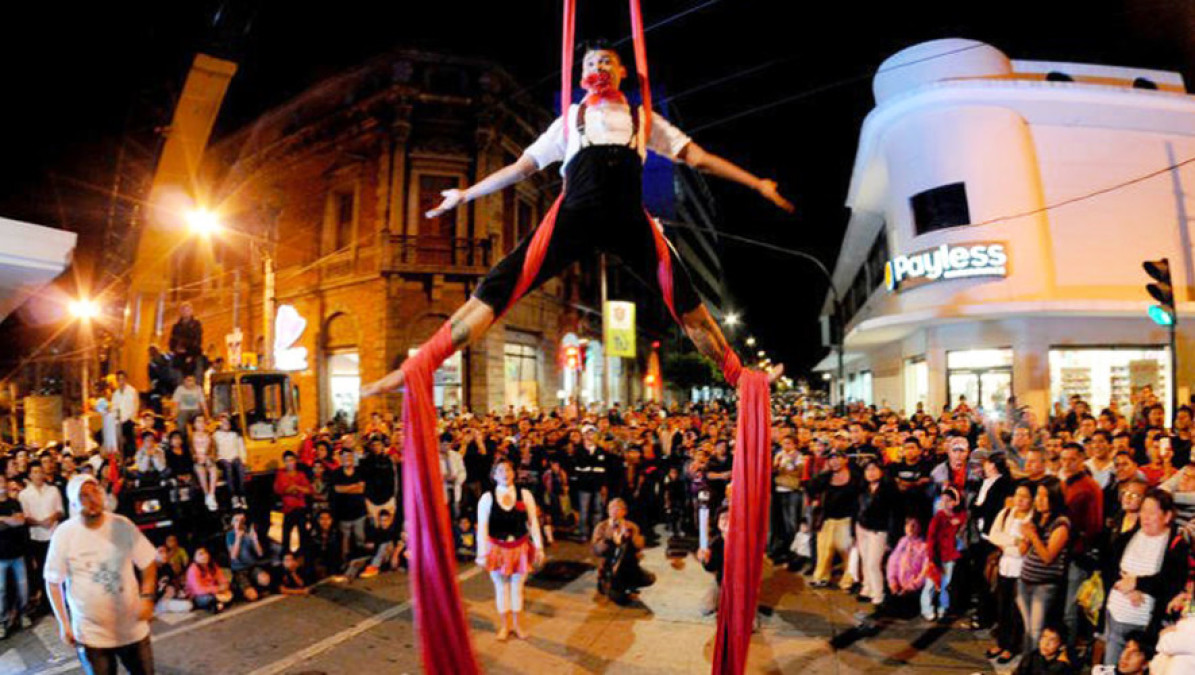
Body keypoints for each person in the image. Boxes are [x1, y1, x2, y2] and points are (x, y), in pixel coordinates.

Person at [360, 41, 790, 401]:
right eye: (589, 63)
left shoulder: (643, 120)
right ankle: (417, 368)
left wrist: (755, 183)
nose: (598, 67)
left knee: (689, 304)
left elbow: (699, 159)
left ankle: (743, 379)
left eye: (606, 61)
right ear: (580, 73)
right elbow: (520, 169)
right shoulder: (569, 121)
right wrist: (465, 193)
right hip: (575, 214)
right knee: (497, 286)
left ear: (622, 70)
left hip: (627, 218)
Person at [45, 474, 157, 675]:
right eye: (84, 496)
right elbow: (53, 582)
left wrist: (147, 598)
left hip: (132, 629)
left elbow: (148, 562)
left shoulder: (122, 525)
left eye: (95, 492)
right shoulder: (65, 534)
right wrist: (64, 624)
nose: (92, 499)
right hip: (92, 636)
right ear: (74, 503)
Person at [1103, 488, 1191, 666]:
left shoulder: (1176, 545)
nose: (1145, 517)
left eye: (1152, 513)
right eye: (1143, 511)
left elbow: (1171, 583)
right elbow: (1109, 569)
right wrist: (1126, 588)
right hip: (1115, 615)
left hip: (1146, 626)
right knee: (1111, 665)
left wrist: (1137, 583)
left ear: (1167, 516)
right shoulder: (1127, 537)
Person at [476, 460, 545, 640]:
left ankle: (518, 625)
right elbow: (482, 527)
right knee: (501, 587)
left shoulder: (525, 494)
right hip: (497, 548)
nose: (505, 473)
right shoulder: (487, 497)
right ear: (494, 475)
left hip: (520, 547)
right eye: (500, 470)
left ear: (514, 472)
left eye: (508, 469)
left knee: (517, 586)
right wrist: (481, 554)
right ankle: (504, 626)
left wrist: (539, 547)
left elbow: (533, 522)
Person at [1018, 476, 1071, 654]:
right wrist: (1025, 536)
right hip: (1025, 580)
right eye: (1037, 496)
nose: (1039, 501)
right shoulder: (1037, 518)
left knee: (1036, 631)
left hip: (1044, 585)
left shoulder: (1061, 523)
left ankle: (1034, 665)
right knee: (1027, 630)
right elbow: (1023, 551)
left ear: (1055, 498)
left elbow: (1048, 557)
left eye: (1044, 496)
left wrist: (1033, 536)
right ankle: (1027, 663)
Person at [984, 482, 1034, 664]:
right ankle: (1001, 643)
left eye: (1025, 496)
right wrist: (1013, 541)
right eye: (1017, 495)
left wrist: (1007, 545)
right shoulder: (1006, 513)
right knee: (1002, 608)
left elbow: (1023, 550)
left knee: (1016, 611)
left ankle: (1012, 646)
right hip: (1004, 567)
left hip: (1022, 571)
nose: (1020, 500)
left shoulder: (1032, 519)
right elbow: (993, 536)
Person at [591, 497, 653, 606]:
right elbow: (596, 550)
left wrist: (631, 537)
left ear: (624, 512)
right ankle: (608, 584)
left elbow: (640, 545)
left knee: (649, 578)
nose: (614, 511)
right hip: (609, 566)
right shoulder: (601, 527)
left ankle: (628, 583)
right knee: (619, 598)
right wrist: (611, 540)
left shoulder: (631, 526)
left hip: (628, 565)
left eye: (618, 508)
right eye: (612, 508)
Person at [855, 458, 899, 607]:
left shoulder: (889, 489)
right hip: (862, 527)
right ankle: (867, 588)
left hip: (879, 530)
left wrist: (891, 537)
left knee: (874, 563)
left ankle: (878, 594)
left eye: (874, 469)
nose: (871, 473)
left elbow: (894, 514)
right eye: (868, 470)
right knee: (865, 560)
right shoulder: (863, 488)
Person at [19, 462, 64, 611]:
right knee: (41, 570)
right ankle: (45, 601)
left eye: (40, 471)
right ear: (30, 475)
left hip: (54, 535)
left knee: (56, 568)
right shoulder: (24, 494)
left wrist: (52, 518)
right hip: (36, 536)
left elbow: (60, 511)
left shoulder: (53, 490)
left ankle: (60, 599)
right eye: (35, 472)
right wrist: (38, 522)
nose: (38, 474)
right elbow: (24, 517)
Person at [923, 485, 967, 621]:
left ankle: (943, 607)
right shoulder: (938, 518)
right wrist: (931, 556)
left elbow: (964, 518)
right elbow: (931, 538)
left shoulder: (959, 517)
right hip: (936, 555)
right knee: (931, 583)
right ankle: (927, 608)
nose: (945, 503)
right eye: (943, 500)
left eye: (949, 500)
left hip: (950, 556)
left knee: (946, 584)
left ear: (955, 502)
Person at [0, 474, 32, 638]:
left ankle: (23, 614)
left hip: (17, 554)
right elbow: (15, 521)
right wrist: (11, 520)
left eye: (2, 481)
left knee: (23, 588)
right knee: (1, 591)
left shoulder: (14, 503)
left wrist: (3, 519)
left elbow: (20, 521)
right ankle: (2, 621)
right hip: (1, 557)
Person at [331, 448, 368, 561]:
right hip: (343, 514)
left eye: (350, 456)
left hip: (359, 513)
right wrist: (354, 486)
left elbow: (361, 490)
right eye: (345, 457)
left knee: (360, 538)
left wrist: (345, 488)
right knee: (344, 541)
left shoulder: (360, 471)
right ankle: (345, 562)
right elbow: (337, 489)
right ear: (341, 459)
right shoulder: (336, 473)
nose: (348, 459)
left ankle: (362, 559)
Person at [225, 511, 271, 602]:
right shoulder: (230, 535)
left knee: (265, 580)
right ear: (232, 523)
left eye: (242, 520)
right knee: (253, 597)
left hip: (252, 566)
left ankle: (253, 586)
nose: (239, 523)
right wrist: (238, 538)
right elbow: (233, 556)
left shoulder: (247, 534)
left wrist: (255, 540)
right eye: (236, 520)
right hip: (239, 569)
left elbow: (260, 553)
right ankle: (241, 589)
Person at [274, 451, 313, 553]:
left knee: (303, 536)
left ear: (295, 461)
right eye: (287, 461)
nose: (289, 463)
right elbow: (279, 490)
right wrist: (297, 489)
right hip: (288, 510)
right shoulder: (281, 474)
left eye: (291, 460)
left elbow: (309, 490)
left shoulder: (301, 474)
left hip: (300, 509)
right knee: (286, 537)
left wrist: (295, 487)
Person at [213, 414, 249, 510]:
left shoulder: (235, 435)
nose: (226, 424)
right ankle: (233, 496)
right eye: (223, 422)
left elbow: (241, 448)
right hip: (222, 459)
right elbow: (214, 450)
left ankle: (242, 495)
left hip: (234, 457)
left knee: (240, 468)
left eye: (227, 422)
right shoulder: (215, 435)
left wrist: (243, 459)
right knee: (228, 468)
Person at [185, 546, 232, 613]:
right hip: (199, 596)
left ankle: (218, 604)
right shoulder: (193, 569)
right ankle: (217, 604)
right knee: (208, 599)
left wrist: (225, 586)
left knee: (232, 588)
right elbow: (198, 590)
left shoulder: (212, 565)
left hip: (215, 591)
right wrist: (218, 589)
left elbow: (222, 579)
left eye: (205, 553)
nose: (204, 556)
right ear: (194, 558)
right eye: (200, 554)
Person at [168, 302, 203, 380]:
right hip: (179, 358)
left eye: (187, 310)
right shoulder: (176, 327)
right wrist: (176, 349)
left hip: (193, 357)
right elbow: (172, 341)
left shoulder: (196, 325)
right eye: (183, 310)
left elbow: (197, 341)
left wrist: (189, 353)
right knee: (178, 380)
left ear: (191, 311)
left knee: (193, 379)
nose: (185, 312)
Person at [190, 416, 219, 512]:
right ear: (194, 424)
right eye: (198, 421)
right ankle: (206, 494)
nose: (201, 423)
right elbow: (190, 451)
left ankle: (211, 494)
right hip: (197, 460)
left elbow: (214, 449)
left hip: (207, 458)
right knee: (200, 470)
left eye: (203, 421)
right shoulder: (191, 436)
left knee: (213, 469)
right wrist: (196, 458)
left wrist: (209, 457)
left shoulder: (210, 435)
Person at [111, 371, 140, 460]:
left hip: (129, 420)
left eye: (122, 379)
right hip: (118, 421)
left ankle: (130, 457)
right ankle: (121, 458)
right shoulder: (115, 394)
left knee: (129, 440)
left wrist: (130, 418)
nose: (121, 381)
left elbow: (134, 406)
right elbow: (114, 407)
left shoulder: (132, 391)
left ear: (126, 379)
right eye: (119, 379)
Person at [171, 374, 208, 441]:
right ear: (184, 381)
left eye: (192, 381)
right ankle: (183, 439)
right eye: (188, 380)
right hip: (183, 410)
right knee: (181, 420)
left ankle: (199, 437)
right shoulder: (180, 389)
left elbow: (203, 404)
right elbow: (175, 404)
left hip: (196, 410)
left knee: (199, 417)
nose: (191, 383)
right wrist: (173, 416)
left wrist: (207, 417)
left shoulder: (198, 388)